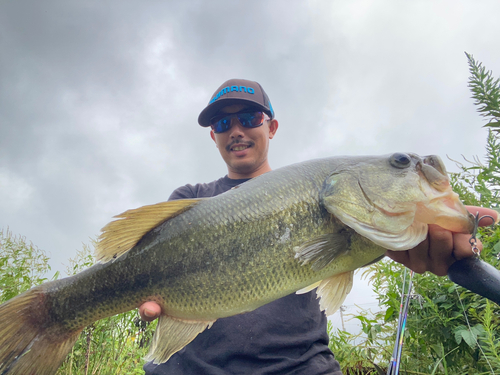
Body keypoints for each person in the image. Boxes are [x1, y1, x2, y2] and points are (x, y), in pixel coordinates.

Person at [141, 79, 497, 374]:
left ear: (271, 126)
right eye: (222, 124)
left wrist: (444, 239)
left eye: (249, 118)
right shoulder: (190, 198)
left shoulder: (339, 205)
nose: (236, 131)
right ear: (213, 137)